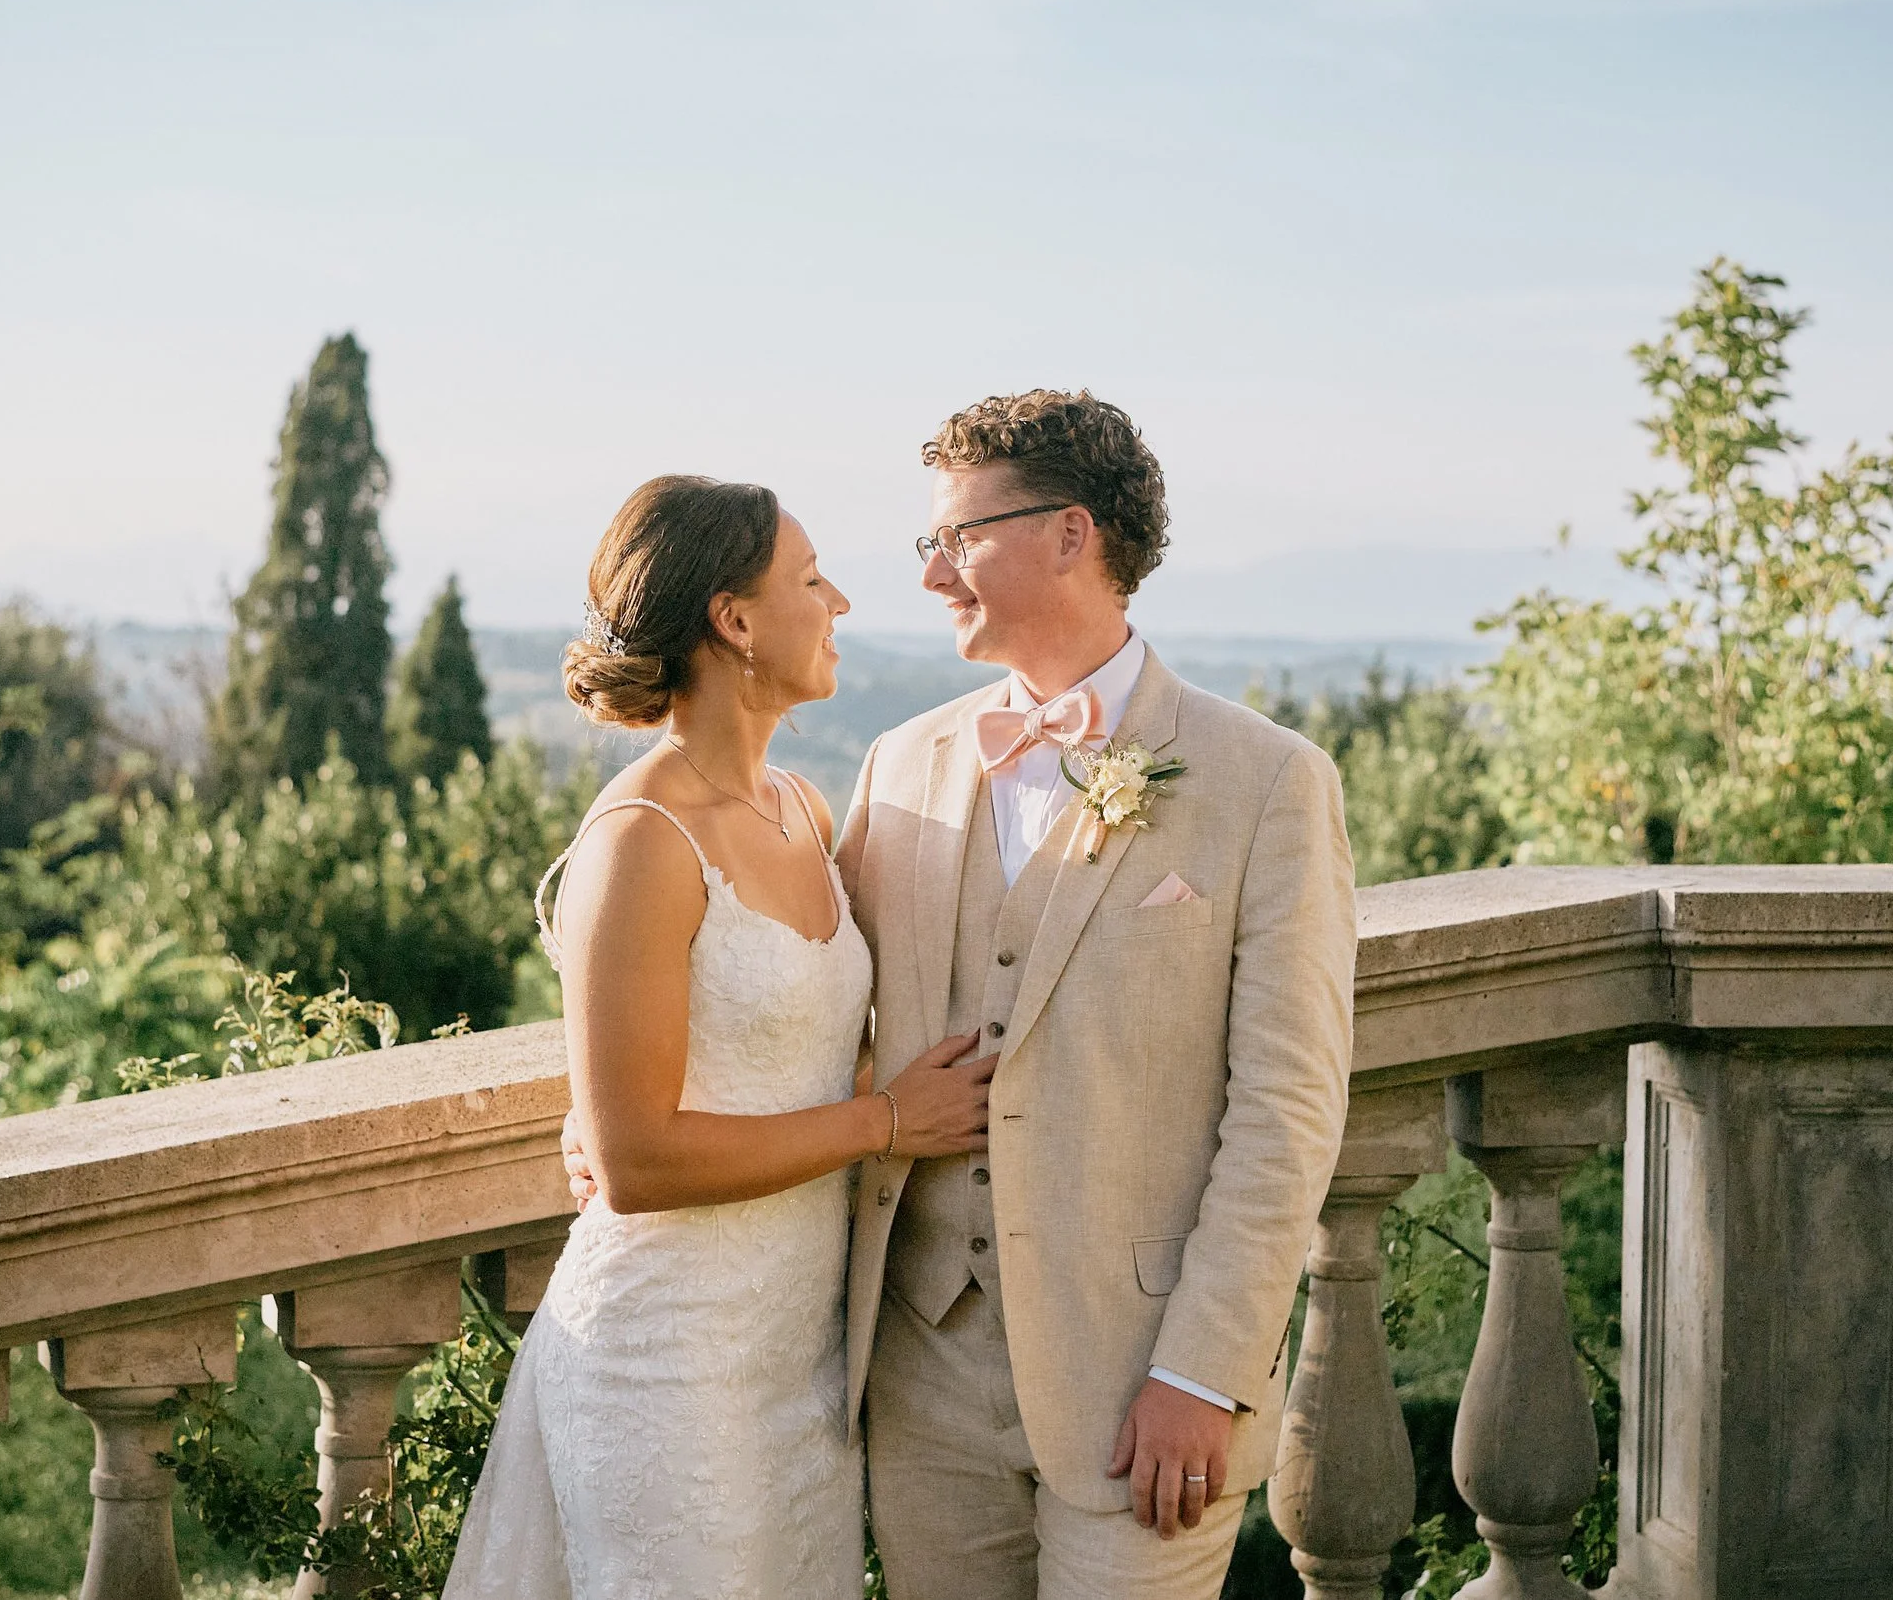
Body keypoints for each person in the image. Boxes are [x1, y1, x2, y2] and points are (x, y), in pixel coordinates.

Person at [570, 393, 1359, 1600]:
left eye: (959, 537)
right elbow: (773, 982)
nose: (931, 571)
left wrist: (1205, 1374)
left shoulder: (1267, 784)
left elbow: (1288, 1111)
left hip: (1139, 1386)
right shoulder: (902, 764)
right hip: (918, 1380)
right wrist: (597, 1109)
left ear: (1068, 534)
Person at [441, 474, 994, 1600]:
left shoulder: (804, 809)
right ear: (734, 622)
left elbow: (788, 1041)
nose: (837, 599)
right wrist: (884, 1122)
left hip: (796, 1362)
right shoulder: (641, 840)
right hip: (665, 1362)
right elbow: (635, 1162)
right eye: (808, 578)